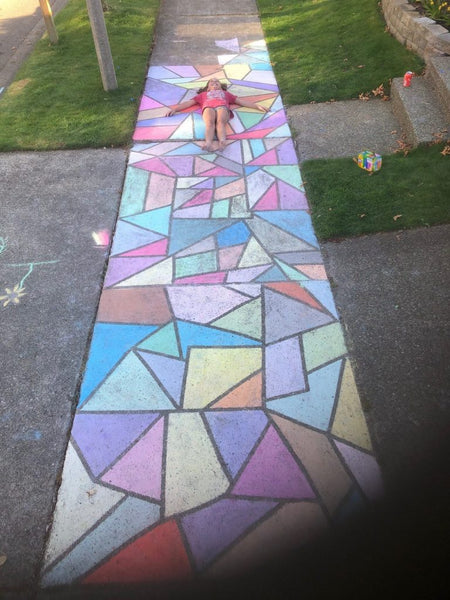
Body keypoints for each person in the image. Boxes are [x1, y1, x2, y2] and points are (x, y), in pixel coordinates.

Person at [165, 78, 268, 151]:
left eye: (217, 81)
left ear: (221, 87)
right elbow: (188, 103)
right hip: (208, 108)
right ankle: (208, 142)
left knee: (220, 123)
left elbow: (241, 101)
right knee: (209, 124)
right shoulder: (202, 95)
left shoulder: (226, 94)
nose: (214, 82)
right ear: (208, 88)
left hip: (222, 107)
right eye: (211, 82)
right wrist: (175, 109)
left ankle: (222, 142)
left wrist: (257, 106)